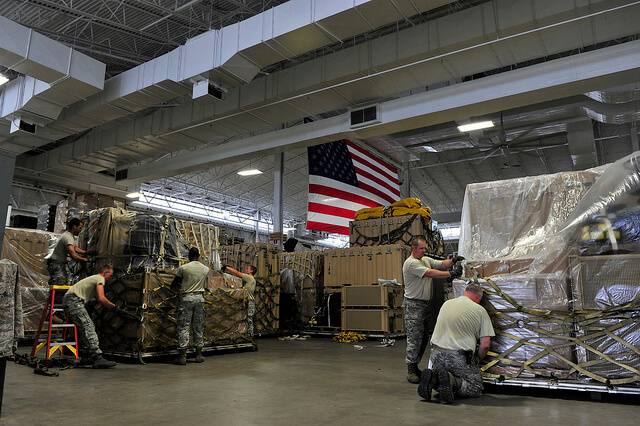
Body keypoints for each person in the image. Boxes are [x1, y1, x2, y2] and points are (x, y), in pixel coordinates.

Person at [418, 282, 495, 404]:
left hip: (436, 354)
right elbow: (485, 345)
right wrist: (476, 361)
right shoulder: (480, 310)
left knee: (443, 374)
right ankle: (453, 381)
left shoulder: (446, 304)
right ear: (478, 297)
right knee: (475, 387)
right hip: (459, 357)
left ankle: (433, 378)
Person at [402, 236, 464, 383]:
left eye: (425, 248)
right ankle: (411, 369)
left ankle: (415, 366)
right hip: (414, 305)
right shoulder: (411, 263)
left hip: (424, 305)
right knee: (414, 338)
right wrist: (451, 274)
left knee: (423, 337)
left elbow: (441, 264)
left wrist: (454, 261)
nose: (424, 251)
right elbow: (430, 273)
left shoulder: (425, 259)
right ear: (414, 248)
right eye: (421, 248)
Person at [62, 264, 118, 369]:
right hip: (74, 301)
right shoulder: (100, 279)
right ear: (105, 273)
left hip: (70, 301)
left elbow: (99, 299)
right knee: (88, 327)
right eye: (110, 275)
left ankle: (87, 356)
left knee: (85, 328)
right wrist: (115, 307)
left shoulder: (94, 279)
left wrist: (112, 308)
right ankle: (97, 357)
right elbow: (102, 298)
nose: (110, 278)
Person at [171, 247, 210, 365]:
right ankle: (199, 354)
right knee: (198, 326)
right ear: (198, 255)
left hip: (187, 298)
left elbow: (174, 284)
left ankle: (182, 356)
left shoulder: (183, 268)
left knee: (184, 326)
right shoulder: (205, 269)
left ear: (188, 256)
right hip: (200, 298)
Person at [47, 218, 88, 286]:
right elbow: (73, 255)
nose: (80, 230)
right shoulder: (67, 237)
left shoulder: (70, 236)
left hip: (62, 263)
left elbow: (76, 248)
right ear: (74, 227)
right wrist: (86, 260)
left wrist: (87, 252)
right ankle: (56, 296)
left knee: (68, 282)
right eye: (80, 228)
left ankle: (62, 296)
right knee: (59, 283)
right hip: (57, 264)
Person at [222, 264, 257, 337]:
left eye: (248, 269)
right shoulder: (250, 279)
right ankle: (246, 336)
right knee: (246, 320)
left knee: (249, 320)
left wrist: (227, 267)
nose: (246, 270)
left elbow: (237, 273)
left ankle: (250, 337)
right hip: (247, 302)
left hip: (249, 302)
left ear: (251, 271)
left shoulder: (250, 278)